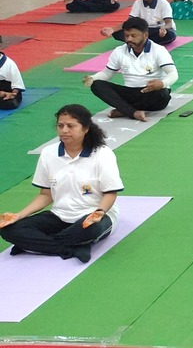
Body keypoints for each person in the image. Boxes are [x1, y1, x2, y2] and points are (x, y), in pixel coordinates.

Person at [0, 104, 123, 263]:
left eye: (71, 126)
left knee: (86, 231)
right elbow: (45, 195)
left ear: (85, 129)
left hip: (93, 215)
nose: (64, 130)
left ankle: (36, 244)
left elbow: (110, 193)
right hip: (59, 215)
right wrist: (19, 215)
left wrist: (99, 212)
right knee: (9, 229)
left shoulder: (102, 154)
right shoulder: (48, 153)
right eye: (60, 125)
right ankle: (72, 248)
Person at [84, 17, 177, 121]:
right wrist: (92, 78)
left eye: (133, 36)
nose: (129, 39)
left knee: (162, 94)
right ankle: (132, 112)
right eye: (126, 35)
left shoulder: (158, 50)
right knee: (97, 85)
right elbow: (107, 74)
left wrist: (162, 83)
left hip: (151, 92)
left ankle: (124, 109)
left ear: (145, 35)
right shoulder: (119, 51)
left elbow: (173, 73)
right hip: (130, 93)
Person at [101, 0, 176, 46]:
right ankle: (143, 41)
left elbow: (169, 23)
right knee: (118, 33)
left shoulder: (163, 3)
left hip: (158, 30)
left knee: (170, 35)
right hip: (143, 30)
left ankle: (140, 41)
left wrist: (163, 29)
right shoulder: (138, 3)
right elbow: (130, 22)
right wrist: (113, 29)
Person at [0, 38, 25, 110]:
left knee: (10, 103)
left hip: (7, 90)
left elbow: (17, 85)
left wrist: (12, 94)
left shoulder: (9, 64)